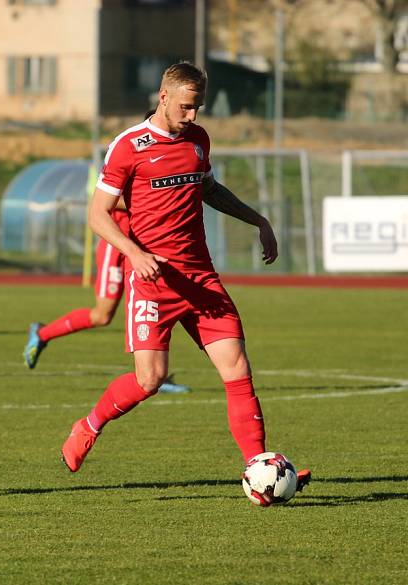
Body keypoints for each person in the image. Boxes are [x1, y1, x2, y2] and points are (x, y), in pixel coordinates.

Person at [59, 63, 310, 493]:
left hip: (200, 279)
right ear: (163, 97)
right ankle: (89, 424)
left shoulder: (198, 140)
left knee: (237, 368)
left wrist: (258, 220)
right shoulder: (128, 147)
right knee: (149, 380)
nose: (193, 116)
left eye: (198, 108)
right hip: (154, 282)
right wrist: (134, 253)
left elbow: (209, 189)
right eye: (186, 107)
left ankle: (259, 467)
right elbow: (97, 215)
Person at [23, 114, 190, 395]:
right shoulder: (126, 152)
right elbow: (103, 200)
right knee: (102, 315)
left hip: (149, 244)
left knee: (168, 302)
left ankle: (156, 375)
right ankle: (42, 334)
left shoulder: (168, 155)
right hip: (119, 244)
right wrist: (153, 195)